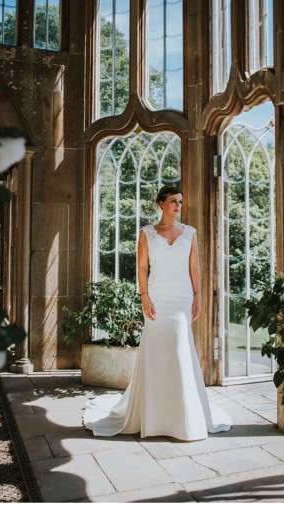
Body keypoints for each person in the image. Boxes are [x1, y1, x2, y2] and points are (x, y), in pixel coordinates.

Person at [83, 185, 232, 440]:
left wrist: (198, 297)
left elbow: (194, 267)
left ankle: (182, 416)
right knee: (157, 351)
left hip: (182, 298)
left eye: (180, 202)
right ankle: (153, 414)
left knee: (180, 349)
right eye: (173, 201)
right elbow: (141, 268)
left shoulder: (190, 234)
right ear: (160, 203)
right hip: (157, 298)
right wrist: (144, 297)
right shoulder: (147, 233)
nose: (178, 206)